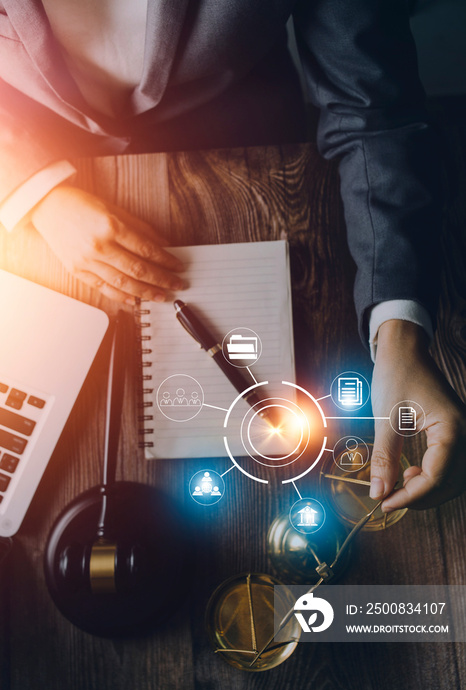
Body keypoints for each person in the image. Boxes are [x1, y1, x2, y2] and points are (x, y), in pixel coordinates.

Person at [0, 0, 464, 512]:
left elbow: (372, 113)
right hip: (32, 149)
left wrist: (399, 327)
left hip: (245, 139)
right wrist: (34, 189)